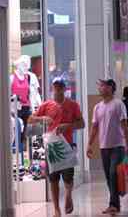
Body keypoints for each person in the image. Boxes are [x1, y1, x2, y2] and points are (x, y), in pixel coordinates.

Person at [29, 77, 85, 217]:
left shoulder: (73, 105)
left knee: (68, 178)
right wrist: (42, 119)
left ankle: (68, 195)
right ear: (52, 88)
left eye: (60, 87)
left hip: (67, 146)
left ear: (65, 89)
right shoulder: (46, 105)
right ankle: (56, 209)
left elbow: (82, 124)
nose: (58, 90)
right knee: (53, 179)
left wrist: (68, 126)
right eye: (55, 87)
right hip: (51, 147)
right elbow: (30, 119)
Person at [86, 79, 128, 215]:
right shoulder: (97, 107)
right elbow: (94, 128)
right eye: (99, 86)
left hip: (118, 145)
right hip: (104, 146)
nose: (100, 88)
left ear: (110, 88)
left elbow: (124, 125)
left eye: (103, 86)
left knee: (112, 173)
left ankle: (113, 204)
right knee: (108, 176)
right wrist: (89, 144)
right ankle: (116, 200)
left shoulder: (118, 104)